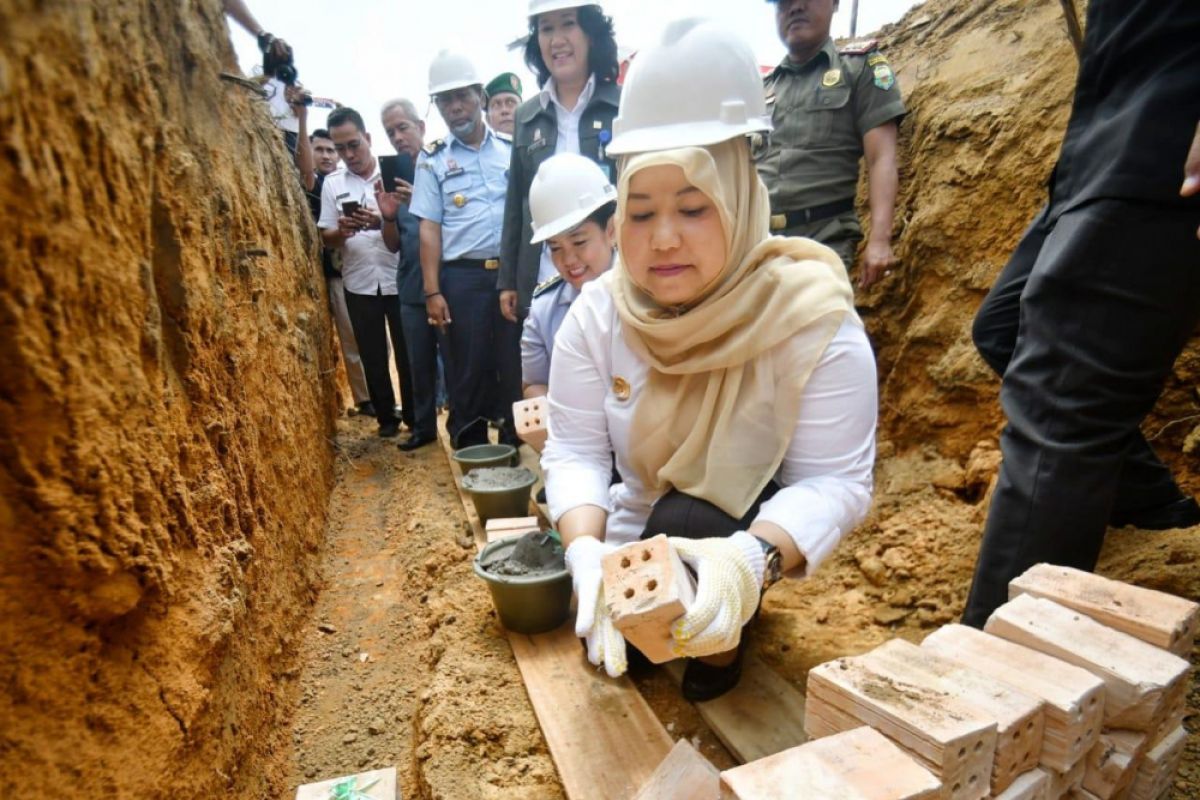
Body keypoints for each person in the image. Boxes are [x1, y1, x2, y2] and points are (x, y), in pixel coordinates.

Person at [543, 19, 877, 700]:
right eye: (639, 215)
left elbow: (836, 481)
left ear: (741, 196)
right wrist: (585, 554)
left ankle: (726, 640)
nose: (663, 239)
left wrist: (749, 563)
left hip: (742, 534)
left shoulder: (812, 320)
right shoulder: (599, 315)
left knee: (696, 523)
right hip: (633, 529)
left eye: (693, 207)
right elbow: (574, 450)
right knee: (619, 651)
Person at [961, 0, 1200, 627]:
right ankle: (1149, 501)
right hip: (1101, 140)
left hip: (1169, 136)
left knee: (1060, 395)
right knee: (1002, 327)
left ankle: (999, 683)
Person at [497, 1, 621, 444]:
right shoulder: (528, 115)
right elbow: (517, 202)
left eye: (568, 24)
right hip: (552, 271)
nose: (557, 39)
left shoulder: (619, 104)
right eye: (546, 28)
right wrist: (509, 279)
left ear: (590, 34)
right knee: (555, 365)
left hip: (607, 265)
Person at [757, 0, 905, 289]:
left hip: (823, 242)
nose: (795, 8)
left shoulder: (861, 67)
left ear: (835, 4)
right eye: (783, 2)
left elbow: (881, 159)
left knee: (812, 328)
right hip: (759, 246)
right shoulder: (763, 89)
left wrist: (879, 240)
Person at [410, 51, 514, 448]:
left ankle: (515, 437)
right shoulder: (433, 159)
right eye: (444, 100)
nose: (454, 107)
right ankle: (471, 443)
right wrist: (433, 291)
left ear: (480, 96)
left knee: (512, 360)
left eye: (462, 97)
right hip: (462, 279)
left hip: (508, 274)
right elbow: (429, 229)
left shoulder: (509, 150)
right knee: (466, 365)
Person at [318, 107, 415, 438]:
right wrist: (342, 230)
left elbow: (415, 223)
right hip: (358, 282)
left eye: (354, 145)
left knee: (407, 352)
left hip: (398, 278)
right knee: (372, 354)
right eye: (340, 147)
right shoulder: (332, 184)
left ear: (368, 139)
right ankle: (387, 419)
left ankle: (416, 417)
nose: (348, 154)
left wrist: (383, 221)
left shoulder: (394, 174)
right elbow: (325, 235)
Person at [520, 153, 617, 400]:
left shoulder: (647, 292)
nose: (568, 260)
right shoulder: (544, 311)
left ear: (611, 230)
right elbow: (533, 383)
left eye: (579, 242)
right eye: (555, 248)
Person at [377, 99, 438, 451]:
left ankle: (463, 427)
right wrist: (387, 216)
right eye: (391, 132)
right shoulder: (391, 180)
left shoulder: (441, 169)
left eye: (403, 127)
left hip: (444, 284)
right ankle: (424, 427)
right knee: (418, 362)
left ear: (421, 127)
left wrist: (420, 200)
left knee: (455, 358)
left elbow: (453, 226)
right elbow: (393, 244)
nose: (398, 137)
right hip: (411, 287)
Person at [307, 126, 373, 416]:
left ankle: (379, 397)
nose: (327, 155)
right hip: (336, 273)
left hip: (364, 269)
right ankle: (365, 399)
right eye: (319, 149)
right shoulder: (313, 186)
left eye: (331, 150)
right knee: (351, 338)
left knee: (374, 339)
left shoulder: (352, 181)